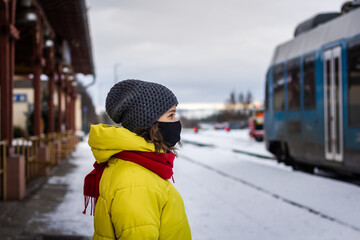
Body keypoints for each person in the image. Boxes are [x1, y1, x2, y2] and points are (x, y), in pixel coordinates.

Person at [83, 79, 191, 240]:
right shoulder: (135, 181)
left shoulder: (139, 164)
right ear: (149, 122)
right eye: (171, 115)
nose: (176, 121)